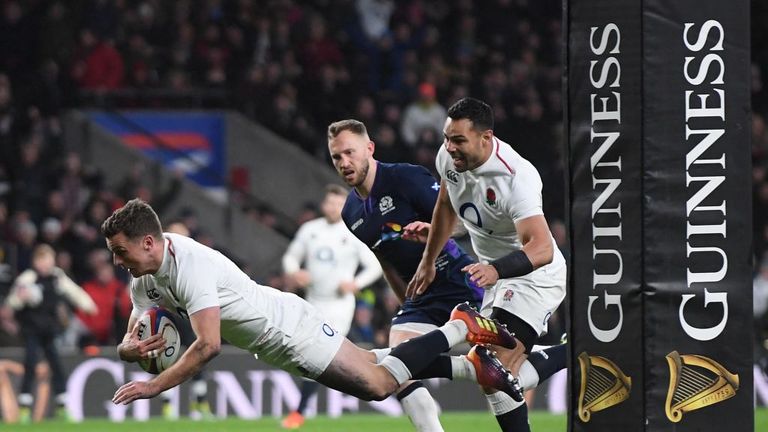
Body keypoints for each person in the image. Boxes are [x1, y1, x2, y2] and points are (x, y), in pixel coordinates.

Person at [103, 199, 523, 411]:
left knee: (379, 386)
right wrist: (129, 350)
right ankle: (469, 365)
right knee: (375, 362)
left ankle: (457, 328)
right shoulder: (145, 278)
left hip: (288, 331)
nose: (116, 262)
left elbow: (208, 344)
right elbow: (133, 332)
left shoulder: (188, 263)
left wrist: (153, 385)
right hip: (276, 334)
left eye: (120, 252)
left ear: (148, 242)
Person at [408, 97, 568, 432]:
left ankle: (569, 354)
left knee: (493, 367)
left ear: (486, 137)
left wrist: (495, 270)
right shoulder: (450, 158)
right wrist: (428, 261)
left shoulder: (516, 177)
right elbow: (446, 208)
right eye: (447, 138)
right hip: (497, 277)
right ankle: (564, 353)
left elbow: (541, 248)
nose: (450, 148)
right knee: (491, 377)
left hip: (534, 277)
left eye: (458, 140)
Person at [328, 118, 486, 432]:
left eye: (350, 153)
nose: (344, 163)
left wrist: (435, 231)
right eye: (337, 157)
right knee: (398, 365)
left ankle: (568, 352)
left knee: (512, 366)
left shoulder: (405, 178)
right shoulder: (351, 212)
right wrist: (407, 301)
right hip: (422, 299)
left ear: (369, 148)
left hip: (459, 282)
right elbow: (384, 259)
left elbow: (464, 221)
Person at [280, 184, 383, 429]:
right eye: (329, 202)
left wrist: (355, 283)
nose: (332, 207)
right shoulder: (310, 229)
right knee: (310, 354)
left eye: (338, 203)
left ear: (344, 206)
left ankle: (301, 411)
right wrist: (295, 272)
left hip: (339, 305)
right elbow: (290, 257)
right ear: (324, 204)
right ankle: (383, 382)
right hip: (312, 301)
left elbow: (375, 266)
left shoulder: (354, 230)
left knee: (322, 353)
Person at [4, 244, 98, 423]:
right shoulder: (28, 278)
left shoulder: (57, 277)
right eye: (42, 260)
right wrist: (17, 301)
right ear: (35, 262)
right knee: (30, 364)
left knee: (56, 366)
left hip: (49, 330)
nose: (46, 263)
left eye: (49, 259)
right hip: (32, 330)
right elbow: (12, 302)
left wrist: (89, 305)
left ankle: (62, 406)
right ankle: (24, 408)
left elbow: (74, 292)